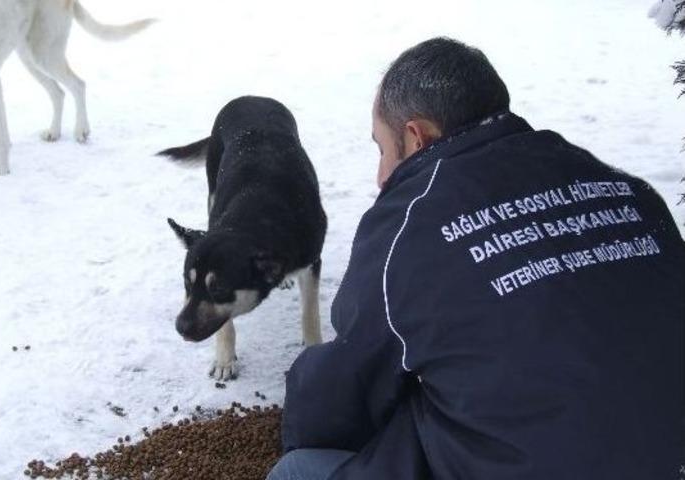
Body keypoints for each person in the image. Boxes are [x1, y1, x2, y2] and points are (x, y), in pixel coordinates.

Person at [268, 37, 685, 480]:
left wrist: (299, 422)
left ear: (417, 136)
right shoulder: (630, 192)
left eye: (382, 149)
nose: (381, 176)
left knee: (297, 469)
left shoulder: (412, 222)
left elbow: (345, 386)